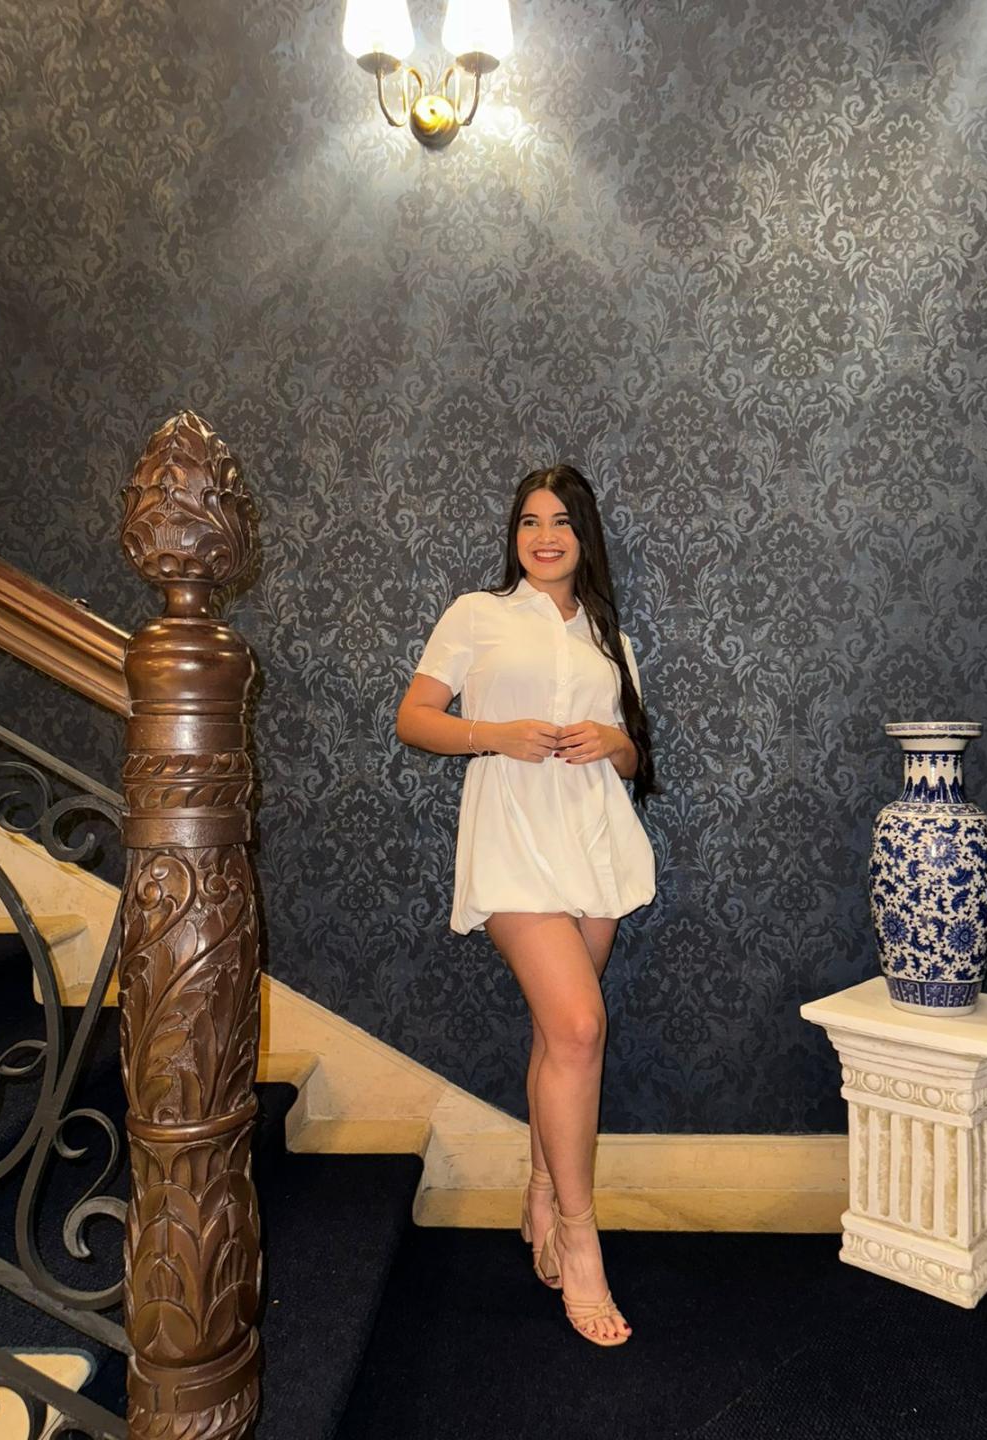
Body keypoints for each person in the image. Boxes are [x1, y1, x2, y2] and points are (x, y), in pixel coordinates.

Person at [395, 464, 658, 1347]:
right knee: (581, 1027)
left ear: (585, 537)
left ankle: (543, 1187)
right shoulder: (477, 614)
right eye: (530, 522)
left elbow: (635, 759)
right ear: (515, 535)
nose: (545, 537)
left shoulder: (608, 635)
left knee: (559, 1037)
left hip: (593, 842)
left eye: (562, 522)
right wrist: (494, 735)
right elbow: (414, 718)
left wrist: (614, 740)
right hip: (511, 838)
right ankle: (581, 1241)